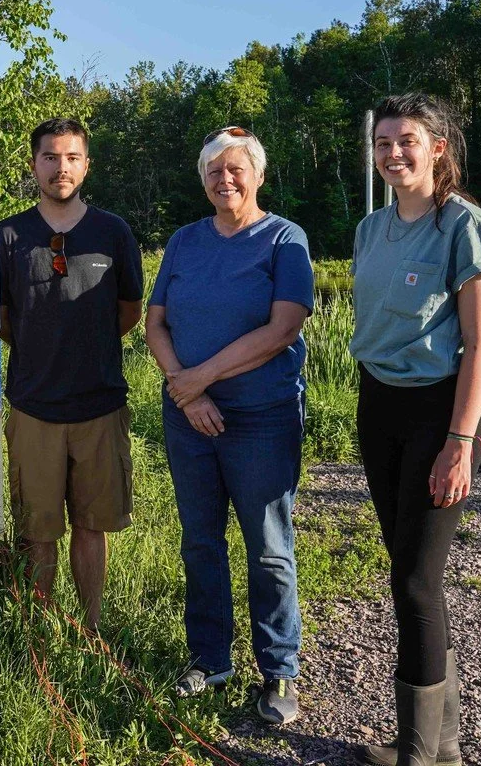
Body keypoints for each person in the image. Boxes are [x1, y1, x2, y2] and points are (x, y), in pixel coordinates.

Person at [144, 126, 314, 725]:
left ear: (258, 175)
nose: (226, 179)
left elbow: (283, 330)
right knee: (200, 542)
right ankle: (211, 658)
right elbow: (154, 324)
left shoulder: (283, 239)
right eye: (214, 171)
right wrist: (187, 394)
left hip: (261, 417)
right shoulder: (185, 241)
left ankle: (279, 671)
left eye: (236, 168)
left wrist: (201, 378)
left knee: (268, 547)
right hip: (189, 417)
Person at [351, 94, 481, 766]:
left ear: (437, 146)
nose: (393, 154)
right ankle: (441, 745)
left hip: (437, 412)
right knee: (413, 576)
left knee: (413, 582)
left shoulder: (463, 225)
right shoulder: (370, 229)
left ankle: (418, 756)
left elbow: (479, 341)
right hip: (375, 405)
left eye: (406, 141)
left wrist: (460, 441)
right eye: (383, 143)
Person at [0, 117, 143, 633]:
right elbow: (3, 318)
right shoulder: (10, 233)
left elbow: (128, 311)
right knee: (38, 530)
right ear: (33, 163)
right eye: (51, 157)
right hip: (33, 405)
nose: (62, 168)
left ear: (87, 164)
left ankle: (91, 626)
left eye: (72, 158)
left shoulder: (113, 231)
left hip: (99, 405)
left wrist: (85, 343)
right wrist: (44, 347)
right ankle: (40, 630)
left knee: (91, 523)